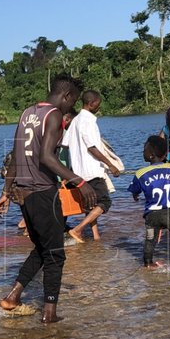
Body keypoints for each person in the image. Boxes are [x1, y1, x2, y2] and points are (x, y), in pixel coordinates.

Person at [0, 78, 93, 323]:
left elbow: (16, 156)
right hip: (42, 193)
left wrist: (6, 192)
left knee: (42, 248)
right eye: (73, 100)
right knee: (56, 255)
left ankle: (13, 297)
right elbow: (47, 158)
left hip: (24, 194)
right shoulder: (53, 116)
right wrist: (79, 182)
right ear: (67, 96)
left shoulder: (27, 113)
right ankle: (49, 314)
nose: (72, 105)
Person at [61, 90, 122, 243]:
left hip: (79, 173)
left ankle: (96, 236)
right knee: (104, 202)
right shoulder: (87, 122)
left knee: (91, 205)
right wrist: (111, 165)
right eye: (98, 104)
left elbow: (65, 144)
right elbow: (92, 148)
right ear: (92, 103)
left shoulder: (75, 121)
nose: (99, 107)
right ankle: (78, 229)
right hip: (92, 171)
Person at [129, 134, 170, 269]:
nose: (142, 152)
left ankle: (148, 263)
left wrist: (135, 195)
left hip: (151, 214)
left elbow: (135, 190)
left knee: (150, 239)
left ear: (151, 155)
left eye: (144, 150)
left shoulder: (140, 173)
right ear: (165, 155)